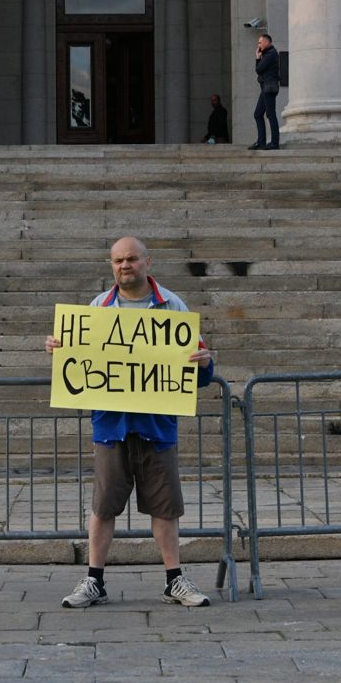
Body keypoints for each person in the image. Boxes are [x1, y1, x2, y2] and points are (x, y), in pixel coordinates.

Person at [44, 236, 215, 608]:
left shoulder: (173, 305)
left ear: (147, 262)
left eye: (132, 259)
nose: (125, 266)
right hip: (111, 425)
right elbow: (80, 369)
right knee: (103, 507)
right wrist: (61, 351)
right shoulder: (96, 309)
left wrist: (205, 363)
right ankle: (94, 580)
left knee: (165, 507)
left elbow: (198, 373)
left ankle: (175, 580)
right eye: (119, 260)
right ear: (112, 265)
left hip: (157, 424)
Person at [250, 33, 281, 150]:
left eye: (260, 42)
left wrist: (257, 58)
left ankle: (274, 143)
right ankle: (261, 142)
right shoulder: (268, 54)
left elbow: (259, 69)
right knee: (258, 114)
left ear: (267, 42)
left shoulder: (271, 54)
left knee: (270, 114)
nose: (258, 45)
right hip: (266, 88)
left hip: (269, 88)